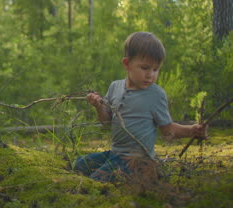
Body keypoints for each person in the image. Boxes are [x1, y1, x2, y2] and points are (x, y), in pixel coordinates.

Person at [73, 31, 207, 182]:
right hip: (115, 153)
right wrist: (98, 106)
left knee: (95, 180)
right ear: (127, 64)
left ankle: (142, 176)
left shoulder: (155, 95)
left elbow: (168, 131)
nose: (150, 75)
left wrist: (191, 130)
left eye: (155, 69)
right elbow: (106, 123)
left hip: (137, 161)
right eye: (144, 68)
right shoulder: (114, 87)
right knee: (78, 165)